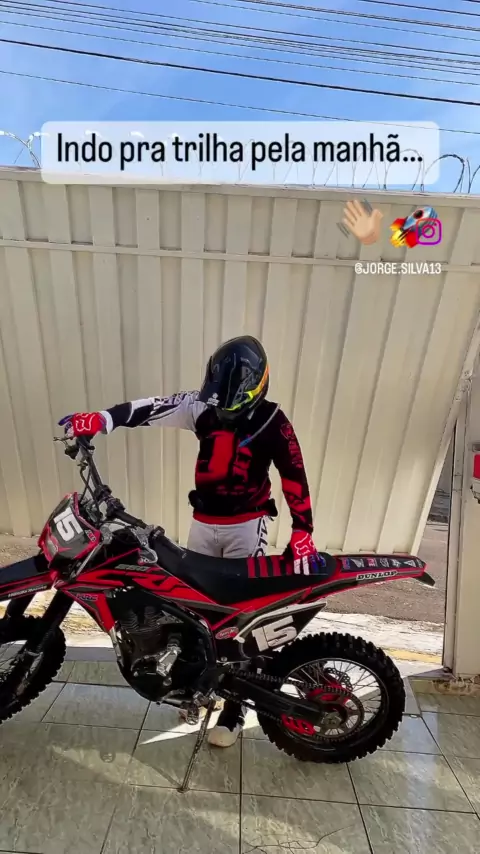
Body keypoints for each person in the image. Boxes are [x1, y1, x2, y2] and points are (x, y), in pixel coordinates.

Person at [60, 335, 317, 747]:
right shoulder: (202, 405)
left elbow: (294, 475)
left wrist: (303, 531)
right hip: (203, 523)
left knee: (242, 619)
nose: (223, 412)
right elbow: (152, 408)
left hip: (247, 526)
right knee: (193, 608)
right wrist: (104, 419)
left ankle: (235, 712)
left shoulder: (274, 421)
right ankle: (198, 683)